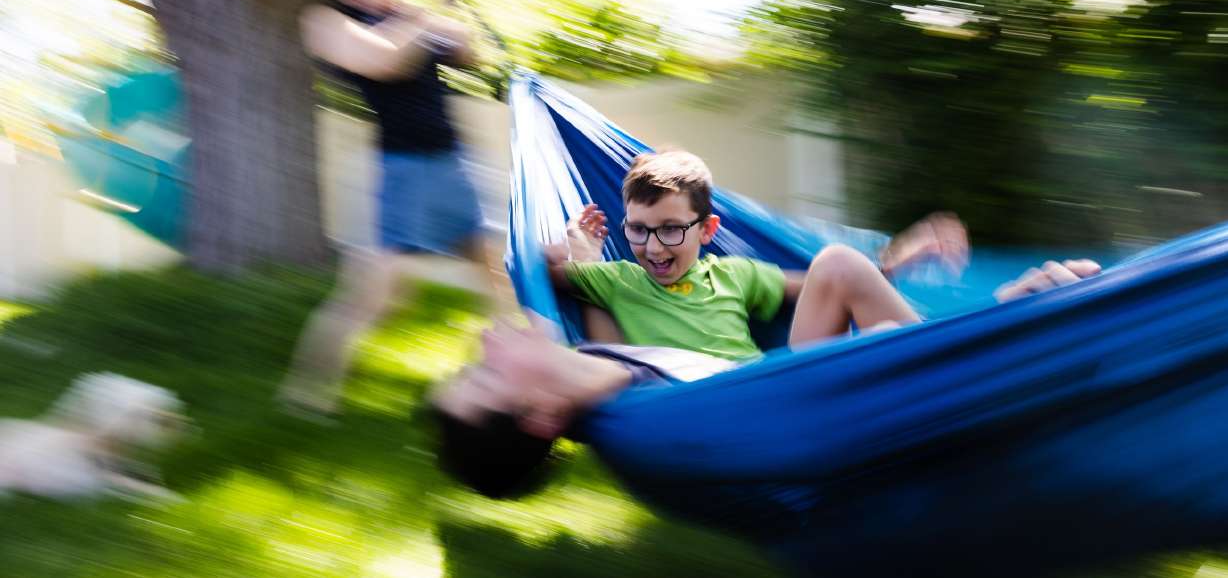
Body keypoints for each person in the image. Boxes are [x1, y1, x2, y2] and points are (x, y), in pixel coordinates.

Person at [432, 258, 1103, 498]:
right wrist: (1001, 320)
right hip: (822, 402)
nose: (486, 340)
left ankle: (991, 321)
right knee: (1064, 295)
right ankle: (999, 326)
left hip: (796, 378)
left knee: (839, 268)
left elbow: (615, 324)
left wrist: (575, 265)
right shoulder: (653, 428)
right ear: (543, 417)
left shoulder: (595, 371)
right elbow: (812, 436)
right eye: (485, 374)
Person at [280, 0, 500, 414]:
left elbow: (470, 54)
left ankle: (508, 374)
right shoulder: (326, 21)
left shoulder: (403, 12)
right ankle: (306, 396)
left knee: (497, 275)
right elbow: (385, 61)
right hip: (403, 170)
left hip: (453, 161)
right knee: (374, 297)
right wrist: (434, 11)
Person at [546, 150, 970, 358]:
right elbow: (552, 266)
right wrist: (584, 244)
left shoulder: (735, 274)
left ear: (707, 230)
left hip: (772, 388)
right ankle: (938, 359)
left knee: (839, 261)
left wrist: (898, 258)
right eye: (638, 230)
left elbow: (824, 285)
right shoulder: (620, 279)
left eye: (672, 229)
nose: (653, 247)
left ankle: (950, 359)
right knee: (878, 344)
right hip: (714, 406)